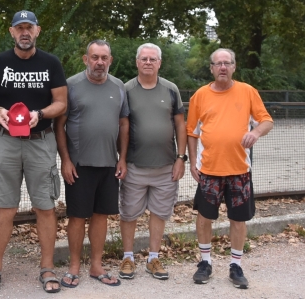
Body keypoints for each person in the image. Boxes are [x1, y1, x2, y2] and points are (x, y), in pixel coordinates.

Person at [0, 10, 67, 295]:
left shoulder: (51, 63)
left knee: (45, 206)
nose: (24, 32)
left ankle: (47, 267)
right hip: (5, 140)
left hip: (41, 139)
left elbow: (61, 103)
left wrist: (39, 113)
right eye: (20, 28)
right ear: (12, 31)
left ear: (37, 31)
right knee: (4, 206)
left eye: (29, 27)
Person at [187, 48, 273, 289]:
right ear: (211, 68)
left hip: (239, 170)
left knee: (238, 219)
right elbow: (191, 132)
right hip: (209, 171)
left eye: (227, 63)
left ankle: (236, 265)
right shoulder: (200, 96)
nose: (222, 67)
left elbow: (266, 121)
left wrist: (255, 132)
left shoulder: (247, 92)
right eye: (218, 63)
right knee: (204, 218)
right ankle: (205, 262)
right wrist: (192, 161)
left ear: (234, 67)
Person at [54, 39, 128, 288]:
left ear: (110, 60)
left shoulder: (118, 86)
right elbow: (59, 125)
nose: (99, 62)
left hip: (108, 164)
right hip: (79, 165)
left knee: (101, 216)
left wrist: (123, 158)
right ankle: (74, 266)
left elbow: (124, 124)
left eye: (104, 57)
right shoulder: (71, 85)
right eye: (94, 57)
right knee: (77, 216)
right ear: (85, 59)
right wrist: (65, 160)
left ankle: (96, 265)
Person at [118, 43, 187, 280]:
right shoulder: (125, 89)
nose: (148, 62)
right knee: (129, 213)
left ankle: (153, 259)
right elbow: (122, 127)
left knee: (159, 213)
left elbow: (180, 124)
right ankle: (127, 258)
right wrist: (123, 160)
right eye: (144, 59)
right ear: (137, 62)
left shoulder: (171, 89)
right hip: (135, 166)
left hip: (167, 166)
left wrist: (181, 158)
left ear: (160, 63)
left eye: (153, 59)